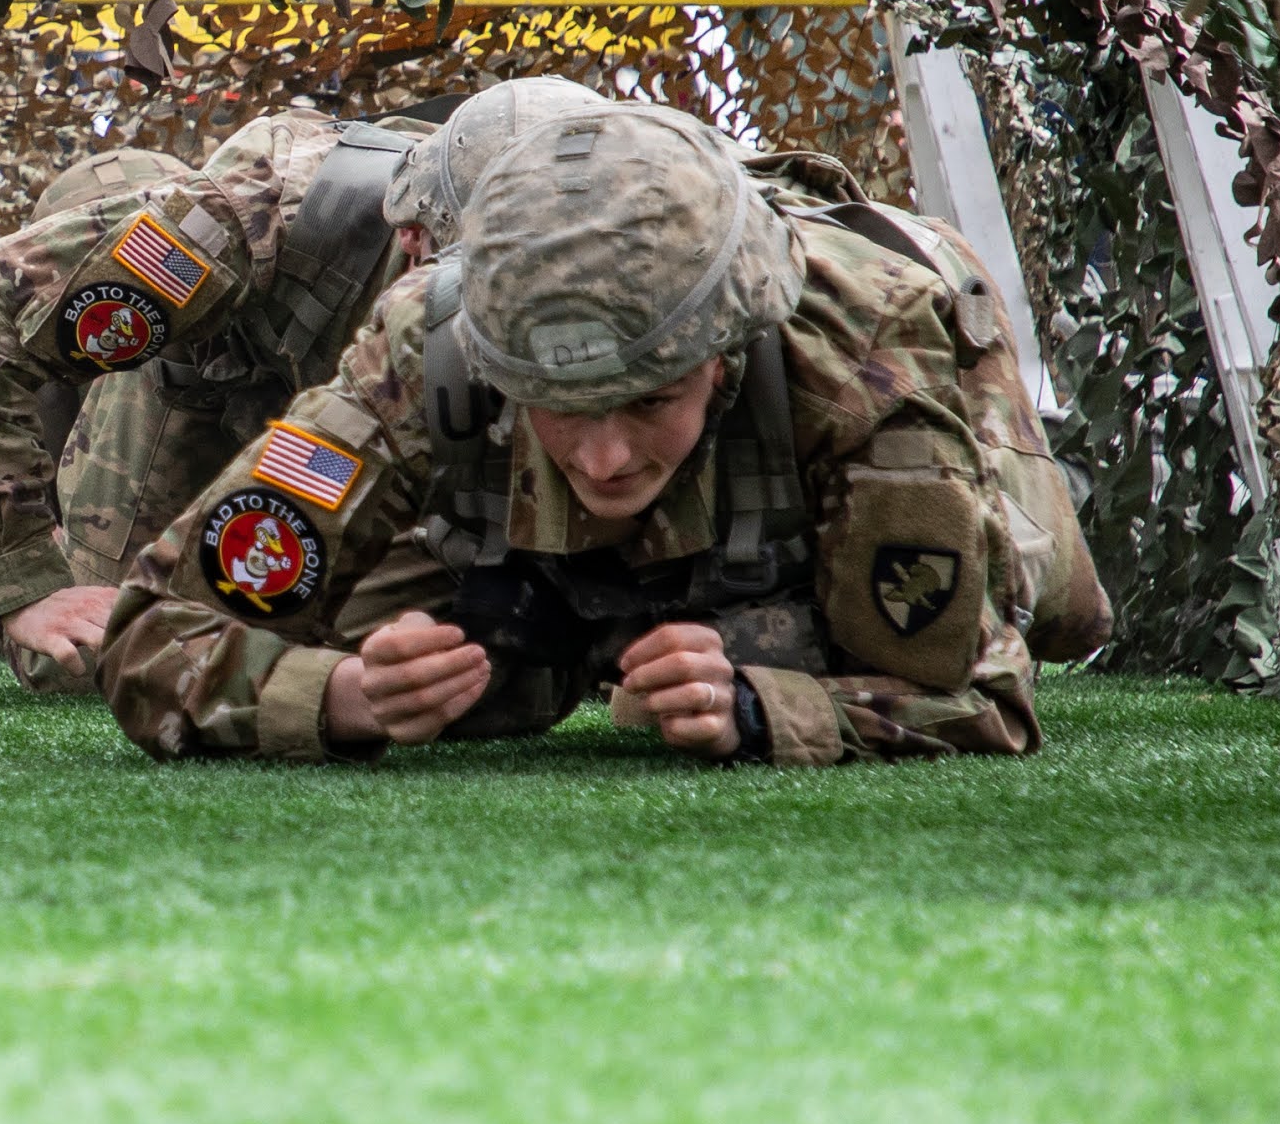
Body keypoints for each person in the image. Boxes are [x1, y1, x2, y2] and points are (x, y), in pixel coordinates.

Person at [95, 102, 1041, 765]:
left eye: (647, 402)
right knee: (396, 638)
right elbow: (154, 637)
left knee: (1058, 601)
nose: (602, 457)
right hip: (528, 557)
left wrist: (764, 704)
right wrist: (339, 698)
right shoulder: (429, 340)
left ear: (725, 354)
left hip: (819, 518)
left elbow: (981, 696)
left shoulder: (855, 347)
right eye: (559, 405)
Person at [0, 89, 600, 690]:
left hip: (363, 425)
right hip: (202, 393)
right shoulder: (263, 210)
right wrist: (23, 577)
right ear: (416, 238)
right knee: (108, 651)